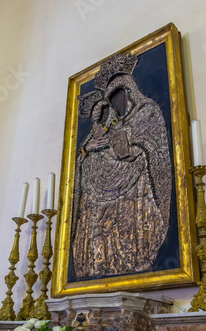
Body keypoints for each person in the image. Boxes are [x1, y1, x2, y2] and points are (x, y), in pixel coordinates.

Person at [72, 52, 172, 279]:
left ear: (129, 92)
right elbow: (82, 156)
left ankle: (133, 256)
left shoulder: (147, 112)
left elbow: (153, 151)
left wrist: (125, 147)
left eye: (119, 96)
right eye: (112, 99)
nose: (117, 103)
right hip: (103, 195)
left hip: (135, 195)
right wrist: (92, 147)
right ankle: (97, 259)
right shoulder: (109, 121)